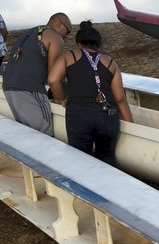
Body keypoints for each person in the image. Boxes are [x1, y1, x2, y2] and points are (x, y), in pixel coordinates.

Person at [47, 21, 133, 165]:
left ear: (78, 43)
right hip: (107, 115)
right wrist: (131, 124)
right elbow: (119, 98)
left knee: (80, 160)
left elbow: (53, 79)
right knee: (107, 160)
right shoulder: (111, 62)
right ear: (98, 44)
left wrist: (63, 99)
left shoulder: (70, 56)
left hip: (79, 113)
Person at [2, 12, 72, 135]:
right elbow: (54, 76)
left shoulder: (32, 32)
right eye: (68, 32)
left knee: (27, 133)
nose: (66, 37)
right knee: (43, 134)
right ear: (61, 24)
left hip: (9, 87)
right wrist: (61, 100)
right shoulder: (55, 37)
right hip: (29, 89)